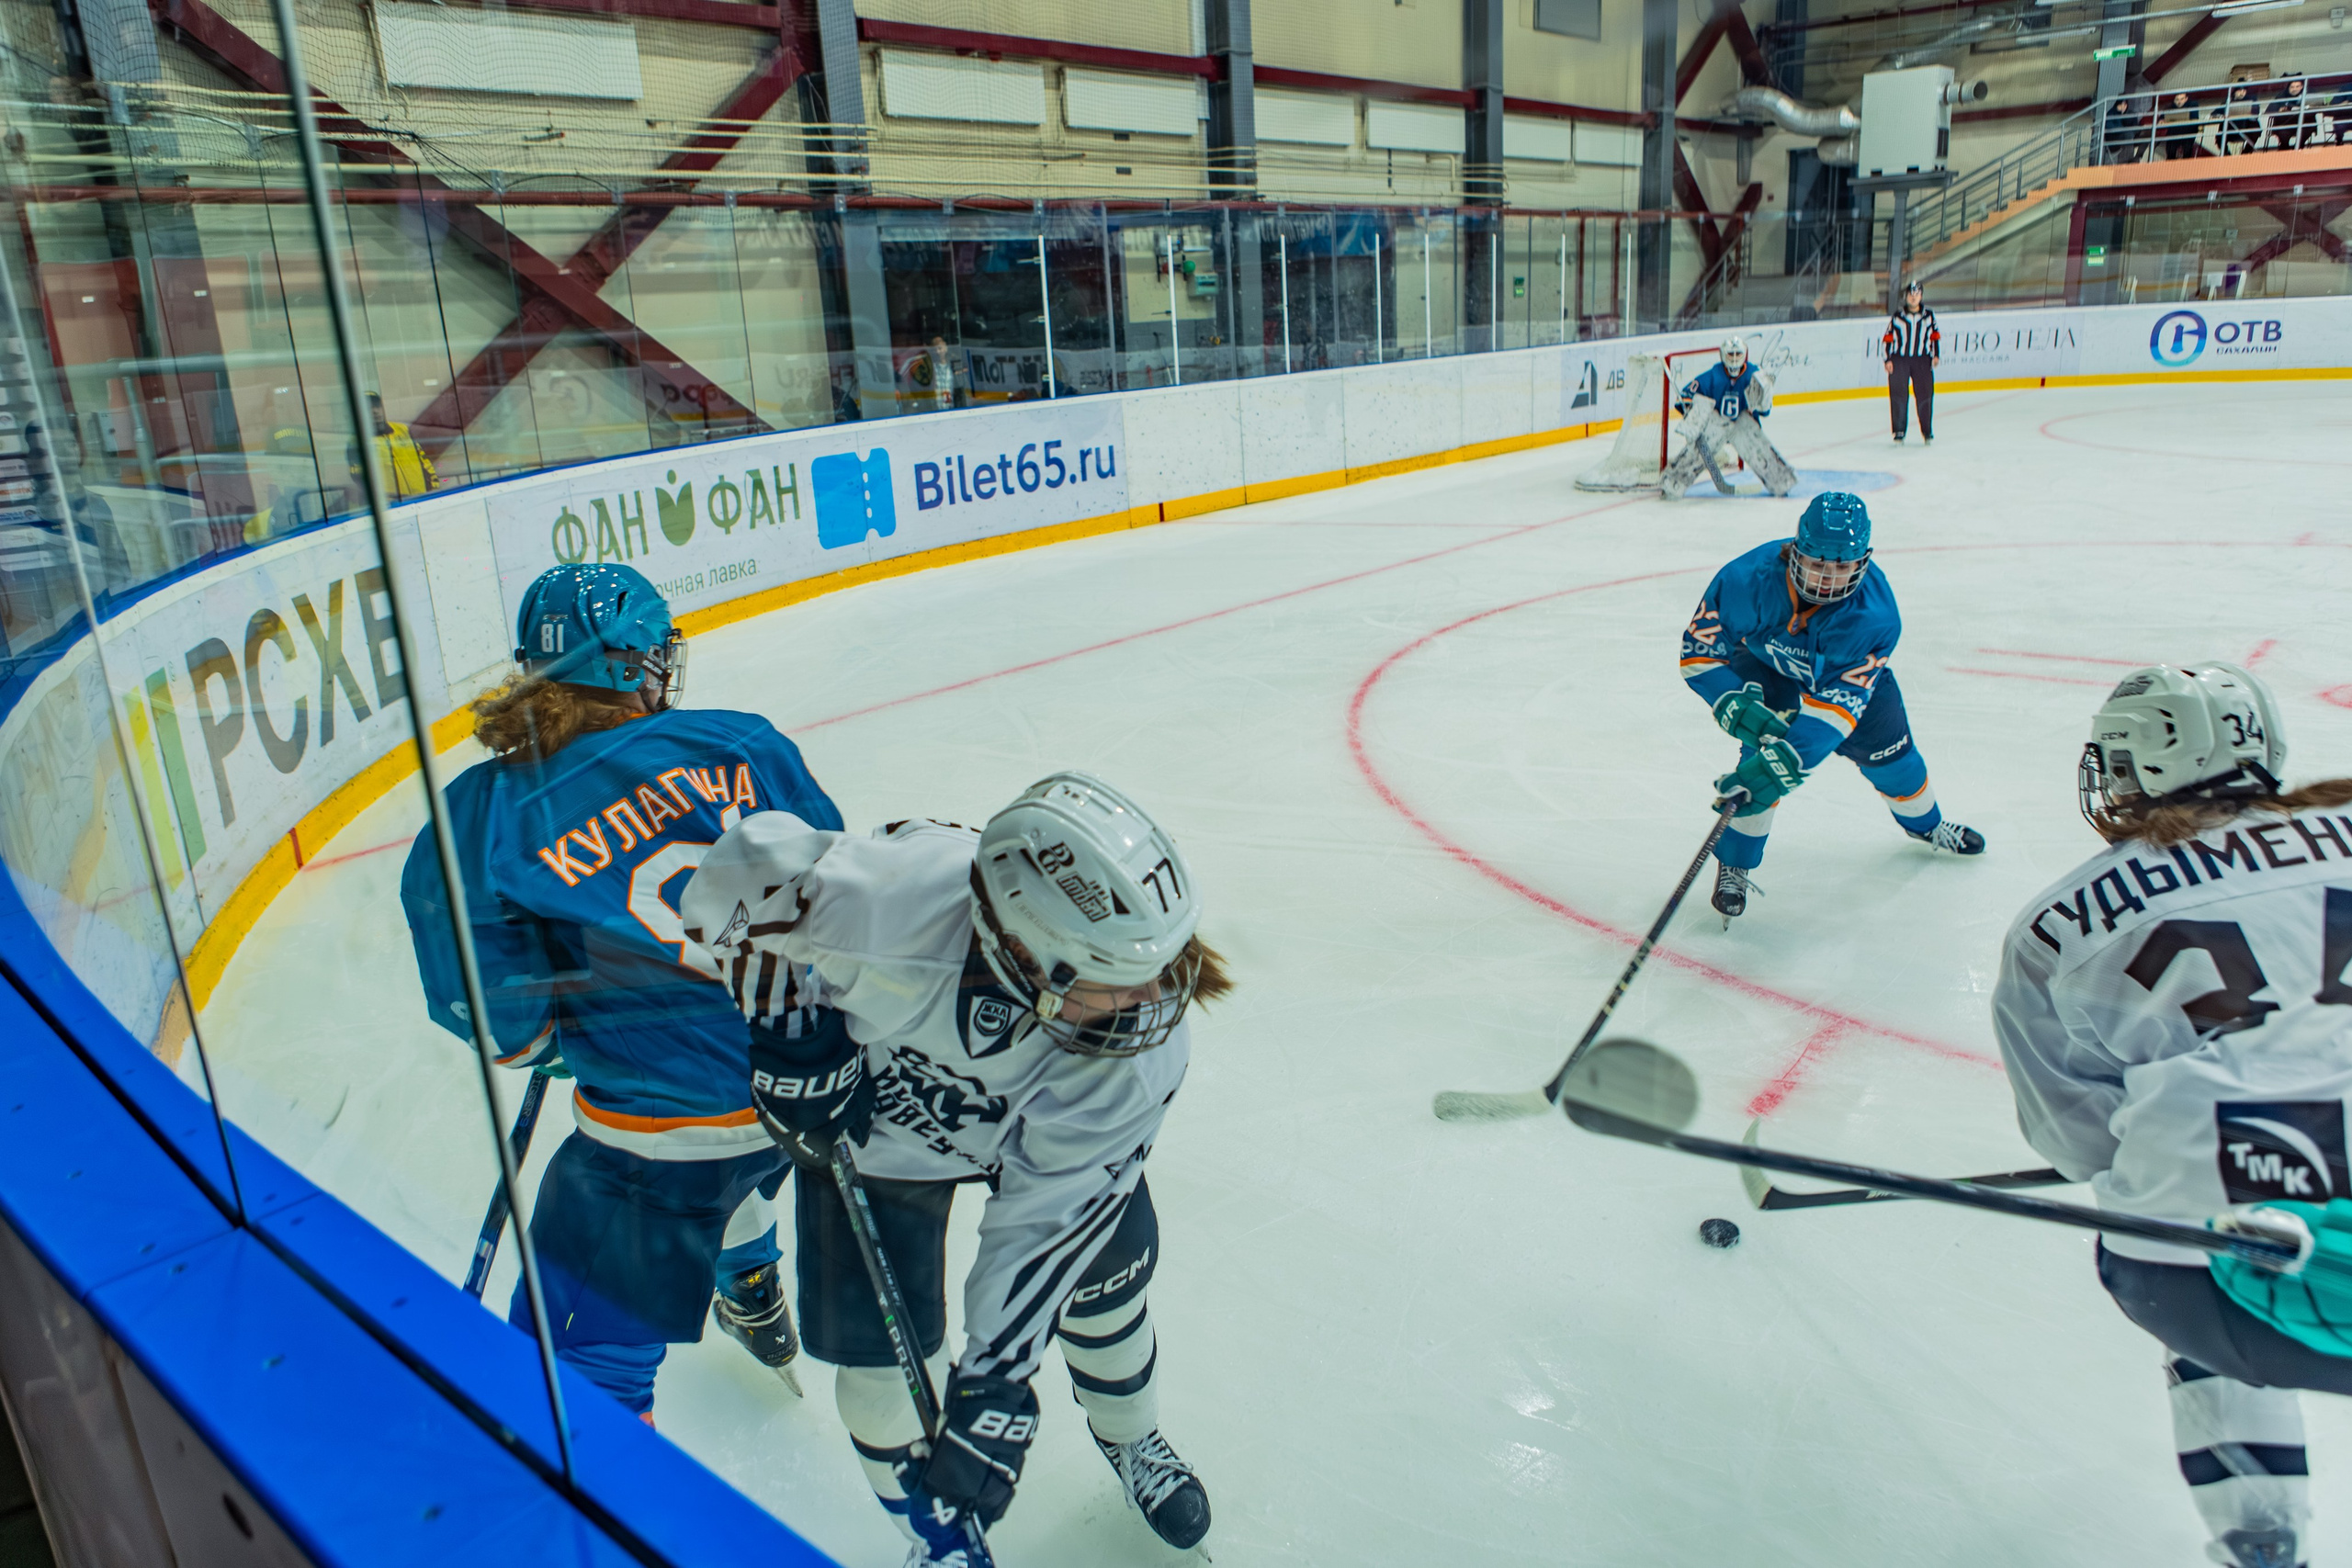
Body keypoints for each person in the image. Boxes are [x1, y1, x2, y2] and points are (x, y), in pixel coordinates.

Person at [679, 773, 1229, 1566]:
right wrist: (789, 1035)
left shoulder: (1136, 1057)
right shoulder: (887, 905)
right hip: (880, 1131)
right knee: (879, 1378)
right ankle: (934, 1543)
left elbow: (1048, 1223)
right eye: (1112, 975)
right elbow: (741, 872)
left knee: (1105, 1289)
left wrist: (996, 1380)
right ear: (1022, 953)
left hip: (1035, 1134)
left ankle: (1131, 1434)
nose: (1153, 1000)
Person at [400, 562, 842, 1422]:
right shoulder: (743, 741)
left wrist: (568, 1033)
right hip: (807, 1093)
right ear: (633, 666)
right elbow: (836, 894)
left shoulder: (482, 816)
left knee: (577, 1386)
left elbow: (504, 1027)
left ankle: (615, 1478)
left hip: (654, 1151)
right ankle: (751, 1280)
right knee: (741, 1144)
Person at [1993, 662, 2352, 1568]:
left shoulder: (2053, 925)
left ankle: (2261, 1540)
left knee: (2201, 1238)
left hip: (2204, 1291)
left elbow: (2075, 1140)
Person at [1679, 491, 1986, 921]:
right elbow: (1701, 650)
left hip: (1841, 677)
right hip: (1766, 663)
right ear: (1795, 551)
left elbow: (1834, 711)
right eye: (1818, 564)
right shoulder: (1747, 578)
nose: (1828, 580)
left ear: (1863, 561)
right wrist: (1730, 699)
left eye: (1842, 568)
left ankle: (1927, 826)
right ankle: (1735, 863)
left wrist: (1792, 759)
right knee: (1758, 761)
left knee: (1893, 759)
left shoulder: (1877, 615)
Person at [1659, 335, 1795, 500]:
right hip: (1716, 425)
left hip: (1742, 425)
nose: (1734, 358)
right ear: (1723, 355)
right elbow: (1685, 397)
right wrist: (1694, 413)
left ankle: (1781, 482)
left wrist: (1764, 399)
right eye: (1731, 354)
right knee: (1696, 453)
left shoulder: (1755, 376)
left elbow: (1764, 410)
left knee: (1760, 451)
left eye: (1738, 354)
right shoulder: (1713, 376)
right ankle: (1673, 482)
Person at [1883, 280, 1939, 445]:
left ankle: (1927, 431)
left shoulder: (1929, 316)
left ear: (1921, 296)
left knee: (1925, 394)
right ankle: (1899, 431)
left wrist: (1936, 355)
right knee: (1898, 395)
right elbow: (1888, 338)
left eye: (1917, 294)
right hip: (1900, 360)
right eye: (1910, 295)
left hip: (1922, 359)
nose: (1913, 298)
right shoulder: (1898, 317)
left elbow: (1935, 336)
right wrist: (1888, 359)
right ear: (1906, 297)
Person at [368, 393, 437, 498]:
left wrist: (434, 485)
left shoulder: (402, 429)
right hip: (393, 502)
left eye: (377, 406)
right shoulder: (360, 441)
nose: (375, 411)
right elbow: (360, 478)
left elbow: (423, 460)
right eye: (369, 408)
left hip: (421, 496)